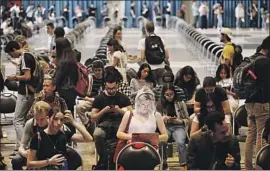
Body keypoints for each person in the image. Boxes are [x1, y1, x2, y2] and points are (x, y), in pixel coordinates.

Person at [91, 73, 132, 167]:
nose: (111, 90)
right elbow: (93, 118)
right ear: (105, 85)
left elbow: (131, 114)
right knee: (97, 134)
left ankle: (120, 159)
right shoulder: (99, 98)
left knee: (123, 136)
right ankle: (103, 159)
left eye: (113, 88)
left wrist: (119, 110)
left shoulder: (123, 98)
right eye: (108, 88)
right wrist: (104, 111)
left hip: (120, 124)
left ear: (117, 85)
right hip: (104, 124)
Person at [244, 36, 270, 170]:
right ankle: (260, 167)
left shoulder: (252, 58)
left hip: (249, 102)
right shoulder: (265, 62)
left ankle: (248, 166)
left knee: (251, 135)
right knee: (261, 135)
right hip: (261, 103)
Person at [4, 41, 36, 147]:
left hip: (25, 92)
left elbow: (27, 76)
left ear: (14, 49)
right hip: (30, 91)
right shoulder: (30, 54)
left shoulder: (24, 57)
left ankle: (25, 146)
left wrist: (14, 77)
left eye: (10, 53)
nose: (11, 56)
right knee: (24, 120)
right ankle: (28, 144)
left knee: (17, 120)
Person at [156, 84, 190, 169]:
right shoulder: (159, 104)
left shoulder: (180, 103)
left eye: (171, 94)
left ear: (174, 93)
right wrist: (163, 118)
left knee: (180, 142)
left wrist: (180, 121)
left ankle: (183, 163)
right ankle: (163, 163)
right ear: (163, 95)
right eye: (167, 95)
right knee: (162, 141)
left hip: (178, 126)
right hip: (165, 127)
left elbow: (188, 119)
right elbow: (155, 120)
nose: (169, 97)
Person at [138, 21, 170, 85]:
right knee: (161, 89)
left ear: (146, 29)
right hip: (161, 68)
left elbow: (142, 58)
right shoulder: (161, 40)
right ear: (154, 28)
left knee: (152, 89)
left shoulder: (143, 41)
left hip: (149, 69)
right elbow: (167, 56)